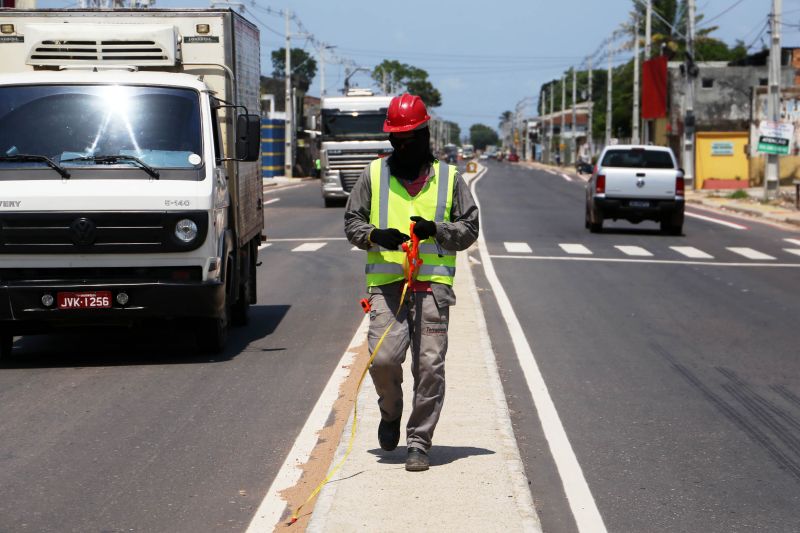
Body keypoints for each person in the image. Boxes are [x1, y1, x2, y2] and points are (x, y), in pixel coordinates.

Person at [344, 94, 479, 472]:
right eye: (396, 140)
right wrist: (374, 236)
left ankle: (419, 441)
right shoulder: (373, 175)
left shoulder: (450, 178)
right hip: (388, 287)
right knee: (383, 359)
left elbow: (469, 228)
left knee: (430, 366)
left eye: (409, 139)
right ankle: (391, 412)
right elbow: (352, 222)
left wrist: (436, 230)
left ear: (425, 135)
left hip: (433, 288)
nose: (402, 147)